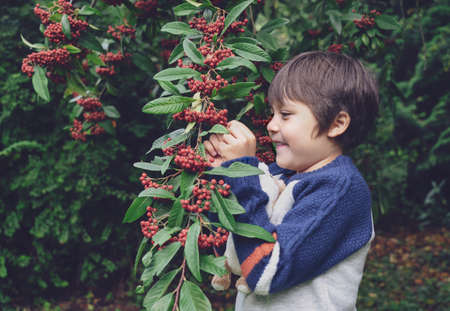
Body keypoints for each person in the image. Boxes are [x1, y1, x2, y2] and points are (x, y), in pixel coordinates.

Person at [204, 51, 379, 311]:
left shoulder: (341, 189)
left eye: (285, 114)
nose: (272, 125)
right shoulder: (278, 177)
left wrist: (242, 172)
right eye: (273, 113)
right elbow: (232, 247)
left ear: (337, 123)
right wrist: (222, 179)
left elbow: (266, 272)